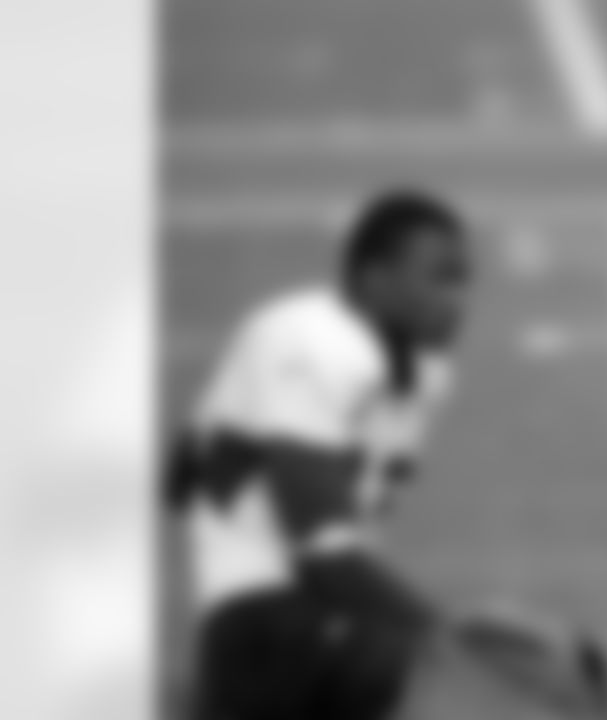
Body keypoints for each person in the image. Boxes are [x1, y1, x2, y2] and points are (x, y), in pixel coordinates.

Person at [165, 188, 473, 720]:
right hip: (265, 613)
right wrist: (444, 637)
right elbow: (322, 549)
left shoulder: (425, 372)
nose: (458, 298)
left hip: (319, 617)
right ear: (375, 281)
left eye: (462, 279)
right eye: (439, 277)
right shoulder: (310, 338)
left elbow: (181, 473)